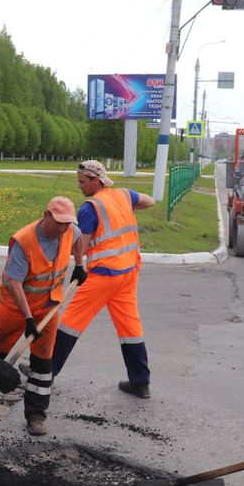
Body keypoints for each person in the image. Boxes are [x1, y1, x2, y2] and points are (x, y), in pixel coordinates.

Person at [0, 196, 85, 436]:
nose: (63, 228)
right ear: (46, 215)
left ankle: (36, 416)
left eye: (67, 223)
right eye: (59, 222)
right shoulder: (24, 241)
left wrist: (80, 265)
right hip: (14, 308)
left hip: (49, 307)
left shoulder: (71, 231)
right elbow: (15, 284)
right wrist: (28, 319)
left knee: (42, 364)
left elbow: (79, 238)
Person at [50, 160, 156, 398]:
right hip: (129, 272)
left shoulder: (90, 208)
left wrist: (75, 261)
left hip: (105, 275)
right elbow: (150, 201)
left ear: (95, 180)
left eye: (82, 182)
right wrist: (129, 206)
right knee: (130, 327)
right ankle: (140, 382)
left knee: (71, 321)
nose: (79, 186)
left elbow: (81, 247)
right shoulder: (123, 195)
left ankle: (46, 373)